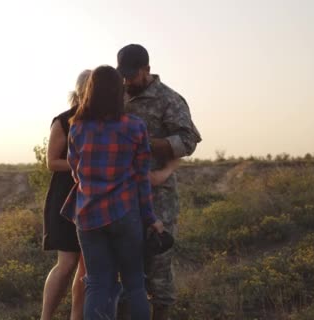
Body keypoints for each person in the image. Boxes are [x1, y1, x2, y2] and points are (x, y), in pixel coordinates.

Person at [62, 65, 164, 320]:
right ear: (120, 92)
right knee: (135, 284)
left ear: (90, 92)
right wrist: (151, 218)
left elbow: (76, 173)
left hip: (88, 217)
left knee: (96, 285)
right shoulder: (135, 127)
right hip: (125, 215)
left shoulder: (76, 127)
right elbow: (142, 178)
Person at [116, 44, 202, 320]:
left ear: (147, 70)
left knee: (158, 264)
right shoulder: (117, 96)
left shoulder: (169, 100)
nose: (128, 81)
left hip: (158, 195)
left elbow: (188, 141)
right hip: (120, 195)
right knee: (125, 266)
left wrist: (148, 145)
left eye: (133, 75)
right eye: (124, 75)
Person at [41, 69, 91, 320]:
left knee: (86, 266)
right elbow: (52, 162)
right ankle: (46, 317)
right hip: (66, 197)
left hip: (94, 198)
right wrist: (85, 165)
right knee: (67, 262)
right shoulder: (63, 121)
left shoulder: (105, 121)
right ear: (83, 91)